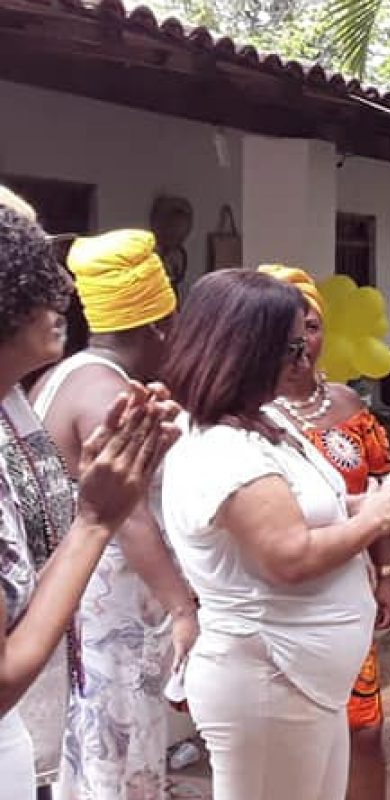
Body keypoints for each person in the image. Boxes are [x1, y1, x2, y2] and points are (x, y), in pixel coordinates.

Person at [157, 270, 390, 800]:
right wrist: (377, 519)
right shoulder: (221, 448)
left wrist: (385, 503)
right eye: (289, 346)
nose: (303, 357)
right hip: (266, 681)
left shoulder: (266, 422)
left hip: (306, 681)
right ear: (245, 349)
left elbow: (319, 508)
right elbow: (288, 555)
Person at [0, 199, 181, 798]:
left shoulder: (32, 397)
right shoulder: (97, 386)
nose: (60, 300)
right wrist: (181, 604)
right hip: (102, 616)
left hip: (55, 625)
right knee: (116, 752)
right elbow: (123, 513)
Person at [257, 265, 390, 800]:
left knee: (364, 731)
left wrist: (386, 572)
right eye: (287, 330)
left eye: (311, 326)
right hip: (279, 603)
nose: (301, 342)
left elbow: (382, 495)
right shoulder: (245, 416)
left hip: (347, 598)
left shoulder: (349, 406)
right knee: (291, 741)